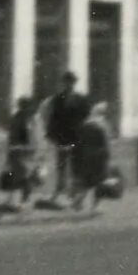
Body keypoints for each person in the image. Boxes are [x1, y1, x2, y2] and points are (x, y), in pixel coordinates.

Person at [44, 71, 91, 200]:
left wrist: (83, 133)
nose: (69, 85)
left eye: (71, 82)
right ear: (63, 83)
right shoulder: (57, 99)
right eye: (66, 82)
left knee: (77, 166)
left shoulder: (81, 99)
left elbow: (86, 117)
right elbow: (53, 118)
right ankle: (59, 191)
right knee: (61, 165)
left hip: (77, 137)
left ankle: (75, 193)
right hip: (62, 137)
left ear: (74, 83)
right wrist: (51, 135)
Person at [71, 100, 115, 208]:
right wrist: (108, 156)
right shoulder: (103, 125)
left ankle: (77, 202)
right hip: (99, 157)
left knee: (87, 183)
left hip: (86, 157)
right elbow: (106, 142)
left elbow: (78, 143)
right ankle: (94, 205)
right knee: (99, 182)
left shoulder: (85, 124)